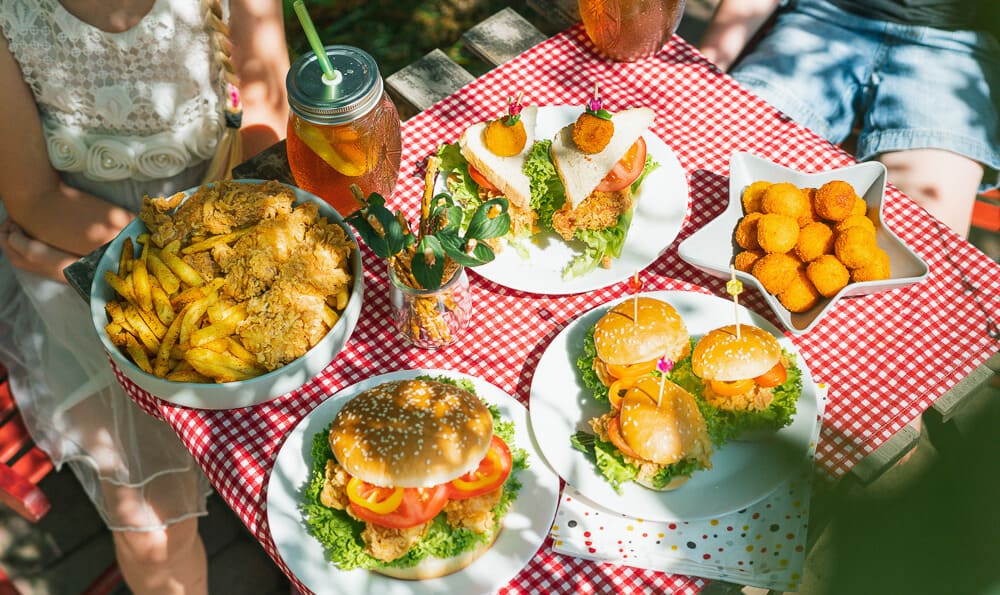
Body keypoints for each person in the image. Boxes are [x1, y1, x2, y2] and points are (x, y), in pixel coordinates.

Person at [0, 1, 289, 593]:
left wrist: (200, 255)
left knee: (289, 430)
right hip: (93, 249)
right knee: (152, 532)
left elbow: (264, 122)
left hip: (237, 217)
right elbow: (34, 198)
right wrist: (91, 270)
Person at [698, 0, 1000, 238]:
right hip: (821, 18)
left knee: (922, 234)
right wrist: (704, 67)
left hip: (956, 47)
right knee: (716, 176)